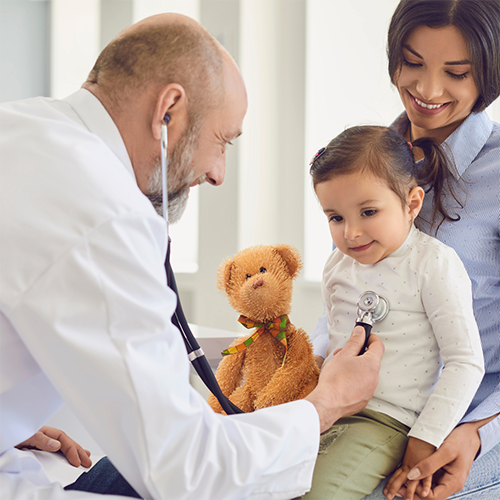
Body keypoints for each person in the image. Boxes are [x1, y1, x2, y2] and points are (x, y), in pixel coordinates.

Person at [0, 13, 384, 500]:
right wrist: (325, 404)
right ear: (169, 111)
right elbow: (186, 473)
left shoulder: (21, 126)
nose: (218, 173)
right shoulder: (101, 212)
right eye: (222, 141)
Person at [311, 1, 500, 499]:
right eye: (413, 63)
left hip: (464, 425)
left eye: (456, 73)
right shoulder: (367, 159)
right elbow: (349, 296)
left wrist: (479, 433)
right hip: (353, 412)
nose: (428, 90)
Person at [300, 125, 484, 500]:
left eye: (368, 212)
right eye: (335, 217)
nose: (351, 232)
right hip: (327, 407)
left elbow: (465, 362)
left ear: (412, 204)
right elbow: (333, 336)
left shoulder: (432, 264)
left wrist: (425, 437)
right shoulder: (338, 266)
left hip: (385, 419)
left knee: (317, 494)